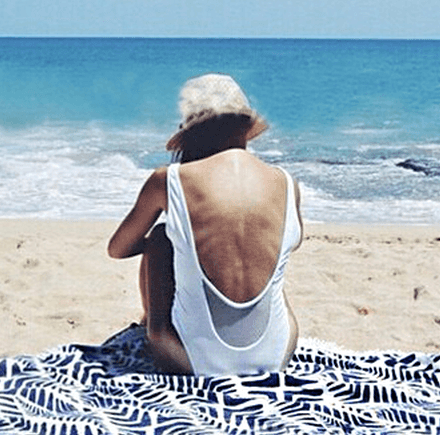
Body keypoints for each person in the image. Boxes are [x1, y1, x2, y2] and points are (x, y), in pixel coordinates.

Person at [108, 73, 303, 375]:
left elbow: (118, 249)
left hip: (194, 361)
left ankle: (153, 325)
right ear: (245, 129)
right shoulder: (286, 182)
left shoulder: (169, 180)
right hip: (276, 356)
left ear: (192, 135)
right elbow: (296, 241)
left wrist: (175, 242)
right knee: (272, 257)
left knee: (161, 236)